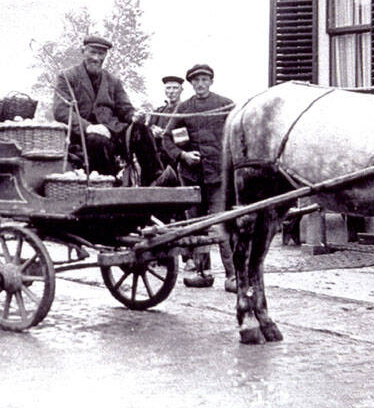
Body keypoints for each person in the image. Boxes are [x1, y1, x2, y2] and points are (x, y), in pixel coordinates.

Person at [162, 64, 236, 292]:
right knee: (196, 226)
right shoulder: (184, 108)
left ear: (211, 81)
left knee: (220, 225)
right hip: (192, 177)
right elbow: (167, 139)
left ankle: (233, 276)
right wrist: (183, 155)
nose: (201, 84)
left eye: (205, 79)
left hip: (218, 176)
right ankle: (203, 274)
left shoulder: (225, 104)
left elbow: (237, 133)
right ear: (192, 84)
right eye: (197, 81)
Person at [52, 35, 161, 185]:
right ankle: (109, 182)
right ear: (83, 51)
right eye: (92, 52)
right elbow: (61, 111)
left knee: (141, 130)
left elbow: (125, 109)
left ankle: (155, 179)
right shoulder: (67, 77)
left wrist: (134, 116)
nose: (96, 58)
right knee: (97, 140)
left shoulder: (113, 81)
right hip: (83, 137)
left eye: (101, 54)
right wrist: (89, 127)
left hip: (114, 132)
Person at [148, 75, 184, 171]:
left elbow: (190, 136)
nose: (171, 91)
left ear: (181, 90)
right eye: (168, 88)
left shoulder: (186, 110)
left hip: (178, 158)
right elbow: (147, 132)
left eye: (175, 88)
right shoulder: (158, 111)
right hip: (158, 159)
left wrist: (165, 134)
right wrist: (152, 131)